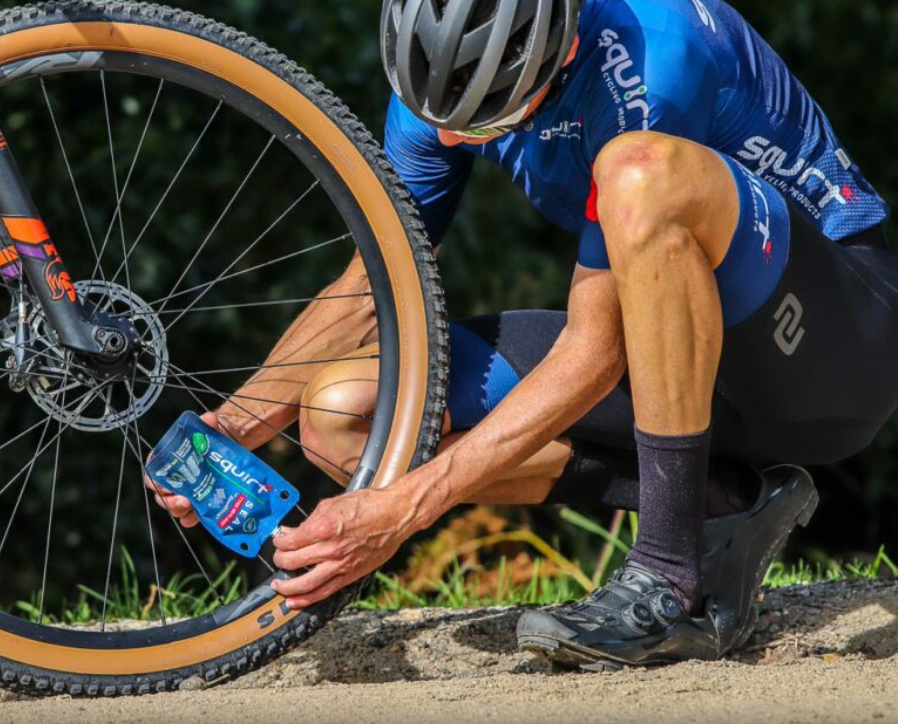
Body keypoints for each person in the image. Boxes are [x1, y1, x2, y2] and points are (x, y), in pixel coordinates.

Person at [149, 0, 898, 669]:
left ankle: (667, 579)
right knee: (344, 412)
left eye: (480, 120)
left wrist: (404, 508)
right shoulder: (441, 87)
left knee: (639, 174)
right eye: (436, 114)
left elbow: (594, 352)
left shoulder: (655, 56)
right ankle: (723, 505)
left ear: (560, 52)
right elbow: (370, 288)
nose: (449, 133)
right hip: (674, 360)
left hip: (828, 354)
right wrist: (235, 422)